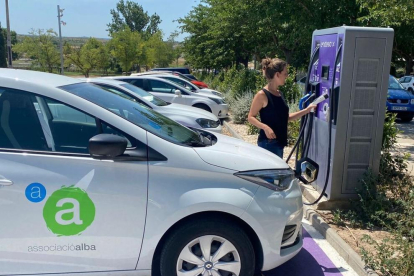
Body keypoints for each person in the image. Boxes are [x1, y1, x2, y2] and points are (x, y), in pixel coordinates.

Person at [248, 58, 316, 159]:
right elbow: (250, 117)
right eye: (285, 73)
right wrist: (265, 127)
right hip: (268, 144)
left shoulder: (280, 94)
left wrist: (306, 111)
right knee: (270, 174)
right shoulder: (262, 95)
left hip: (279, 143)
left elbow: (285, 118)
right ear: (277, 75)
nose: (287, 76)